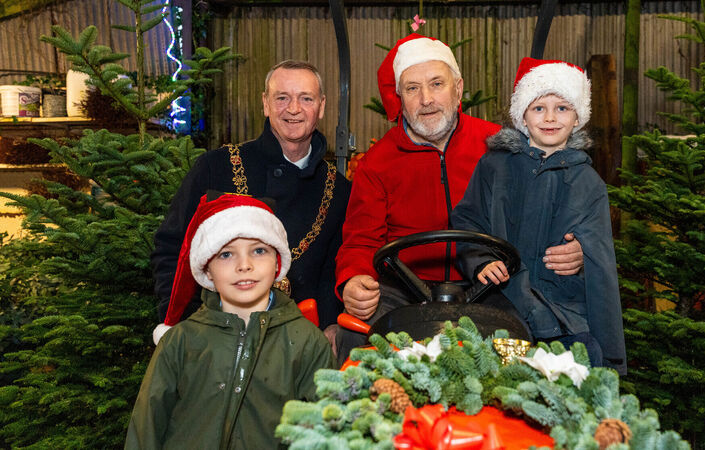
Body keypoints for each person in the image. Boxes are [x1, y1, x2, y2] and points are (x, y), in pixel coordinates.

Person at [335, 35, 584, 359]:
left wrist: (574, 249)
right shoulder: (377, 163)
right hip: (405, 288)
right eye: (412, 88)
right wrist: (353, 280)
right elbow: (359, 241)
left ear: (458, 88)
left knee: (535, 328)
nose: (426, 99)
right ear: (400, 97)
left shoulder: (498, 145)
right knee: (356, 332)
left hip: (491, 281)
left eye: (436, 84)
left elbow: (545, 211)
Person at [151, 60, 350, 350]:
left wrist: (332, 324)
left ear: (320, 107)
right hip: (216, 339)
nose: (293, 109)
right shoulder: (215, 168)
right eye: (282, 98)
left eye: (305, 98)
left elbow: (334, 269)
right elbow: (172, 251)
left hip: (300, 345)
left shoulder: (339, 189)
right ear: (265, 104)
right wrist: (184, 330)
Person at [450, 58, 626, 373]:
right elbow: (468, 222)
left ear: (577, 119)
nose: (550, 118)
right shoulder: (495, 167)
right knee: (491, 362)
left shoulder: (589, 184)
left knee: (586, 356)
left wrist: (583, 255)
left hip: (562, 308)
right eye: (538, 108)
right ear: (522, 116)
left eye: (562, 108)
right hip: (501, 297)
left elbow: (601, 262)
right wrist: (481, 260)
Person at [127, 193, 334, 448]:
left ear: (277, 261)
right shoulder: (180, 342)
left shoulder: (307, 343)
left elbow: (326, 432)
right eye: (226, 254)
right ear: (207, 269)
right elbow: (146, 428)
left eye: (259, 250)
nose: (244, 265)